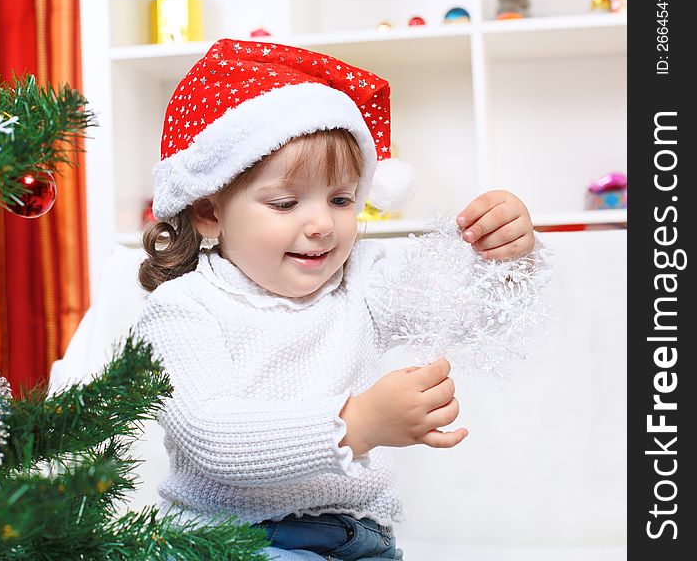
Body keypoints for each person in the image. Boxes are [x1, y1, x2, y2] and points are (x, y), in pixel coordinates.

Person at [134, 39, 548, 560]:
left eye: (341, 199)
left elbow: (467, 314)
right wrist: (359, 424)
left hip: (360, 538)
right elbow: (211, 437)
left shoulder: (361, 279)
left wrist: (507, 254)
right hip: (229, 541)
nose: (323, 224)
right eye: (286, 202)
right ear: (208, 211)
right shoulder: (182, 309)